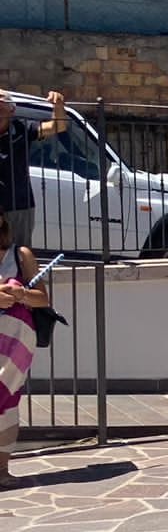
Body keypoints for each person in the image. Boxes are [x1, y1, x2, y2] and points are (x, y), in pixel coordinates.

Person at [0, 212, 54, 487]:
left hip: (17, 340)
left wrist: (19, 294)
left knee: (7, 400)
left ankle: (2, 469)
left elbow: (42, 299)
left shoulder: (21, 255)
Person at [0, 91, 67, 249]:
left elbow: (58, 126)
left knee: (19, 253)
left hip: (18, 204)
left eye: (0, 109)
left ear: (12, 110)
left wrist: (58, 106)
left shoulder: (23, 128)